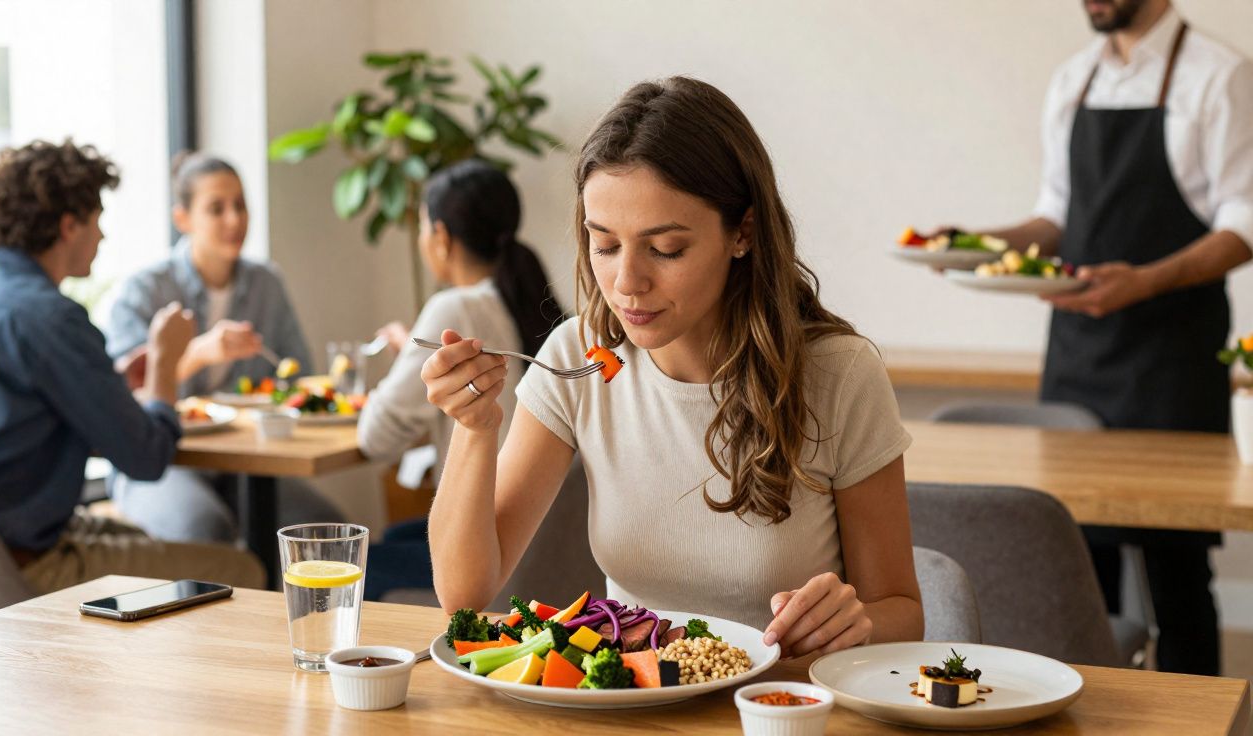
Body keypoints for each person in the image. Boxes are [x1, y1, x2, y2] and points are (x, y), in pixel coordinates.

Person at [421, 77, 923, 658]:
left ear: (743, 232)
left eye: (665, 249)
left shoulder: (840, 374)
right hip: (635, 695)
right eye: (604, 245)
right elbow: (463, 593)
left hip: (780, 699)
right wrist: (475, 428)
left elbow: (902, 612)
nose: (627, 283)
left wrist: (855, 623)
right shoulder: (578, 360)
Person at [934, 0, 1253, 675]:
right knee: (1078, 557)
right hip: (1079, 355)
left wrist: (1144, 281)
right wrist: (972, 243)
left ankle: (1199, 717)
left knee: (1177, 569)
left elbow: (1243, 223)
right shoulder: (1074, 79)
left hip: (1173, 359)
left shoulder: (1219, 75)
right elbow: (1056, 216)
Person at [0, 139, 264, 593]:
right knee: (245, 571)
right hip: (21, 566)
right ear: (69, 226)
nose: (103, 237)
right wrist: (165, 366)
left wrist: (112, 382)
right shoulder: (54, 319)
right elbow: (147, 458)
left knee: (157, 541)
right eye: (97, 220)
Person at [104, 152, 341, 543]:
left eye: (240, 206)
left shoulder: (266, 283)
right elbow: (121, 398)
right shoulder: (144, 290)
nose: (234, 220)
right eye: (217, 209)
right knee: (204, 527)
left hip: (244, 461)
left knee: (323, 531)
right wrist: (199, 353)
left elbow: (298, 374)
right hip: (162, 462)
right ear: (182, 218)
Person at [357, 158, 563, 601]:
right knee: (397, 536)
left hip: (493, 543)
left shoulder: (454, 308)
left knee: (356, 566)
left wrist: (399, 368)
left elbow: (375, 438)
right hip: (548, 543)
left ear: (441, 236)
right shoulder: (531, 300)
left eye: (421, 226)